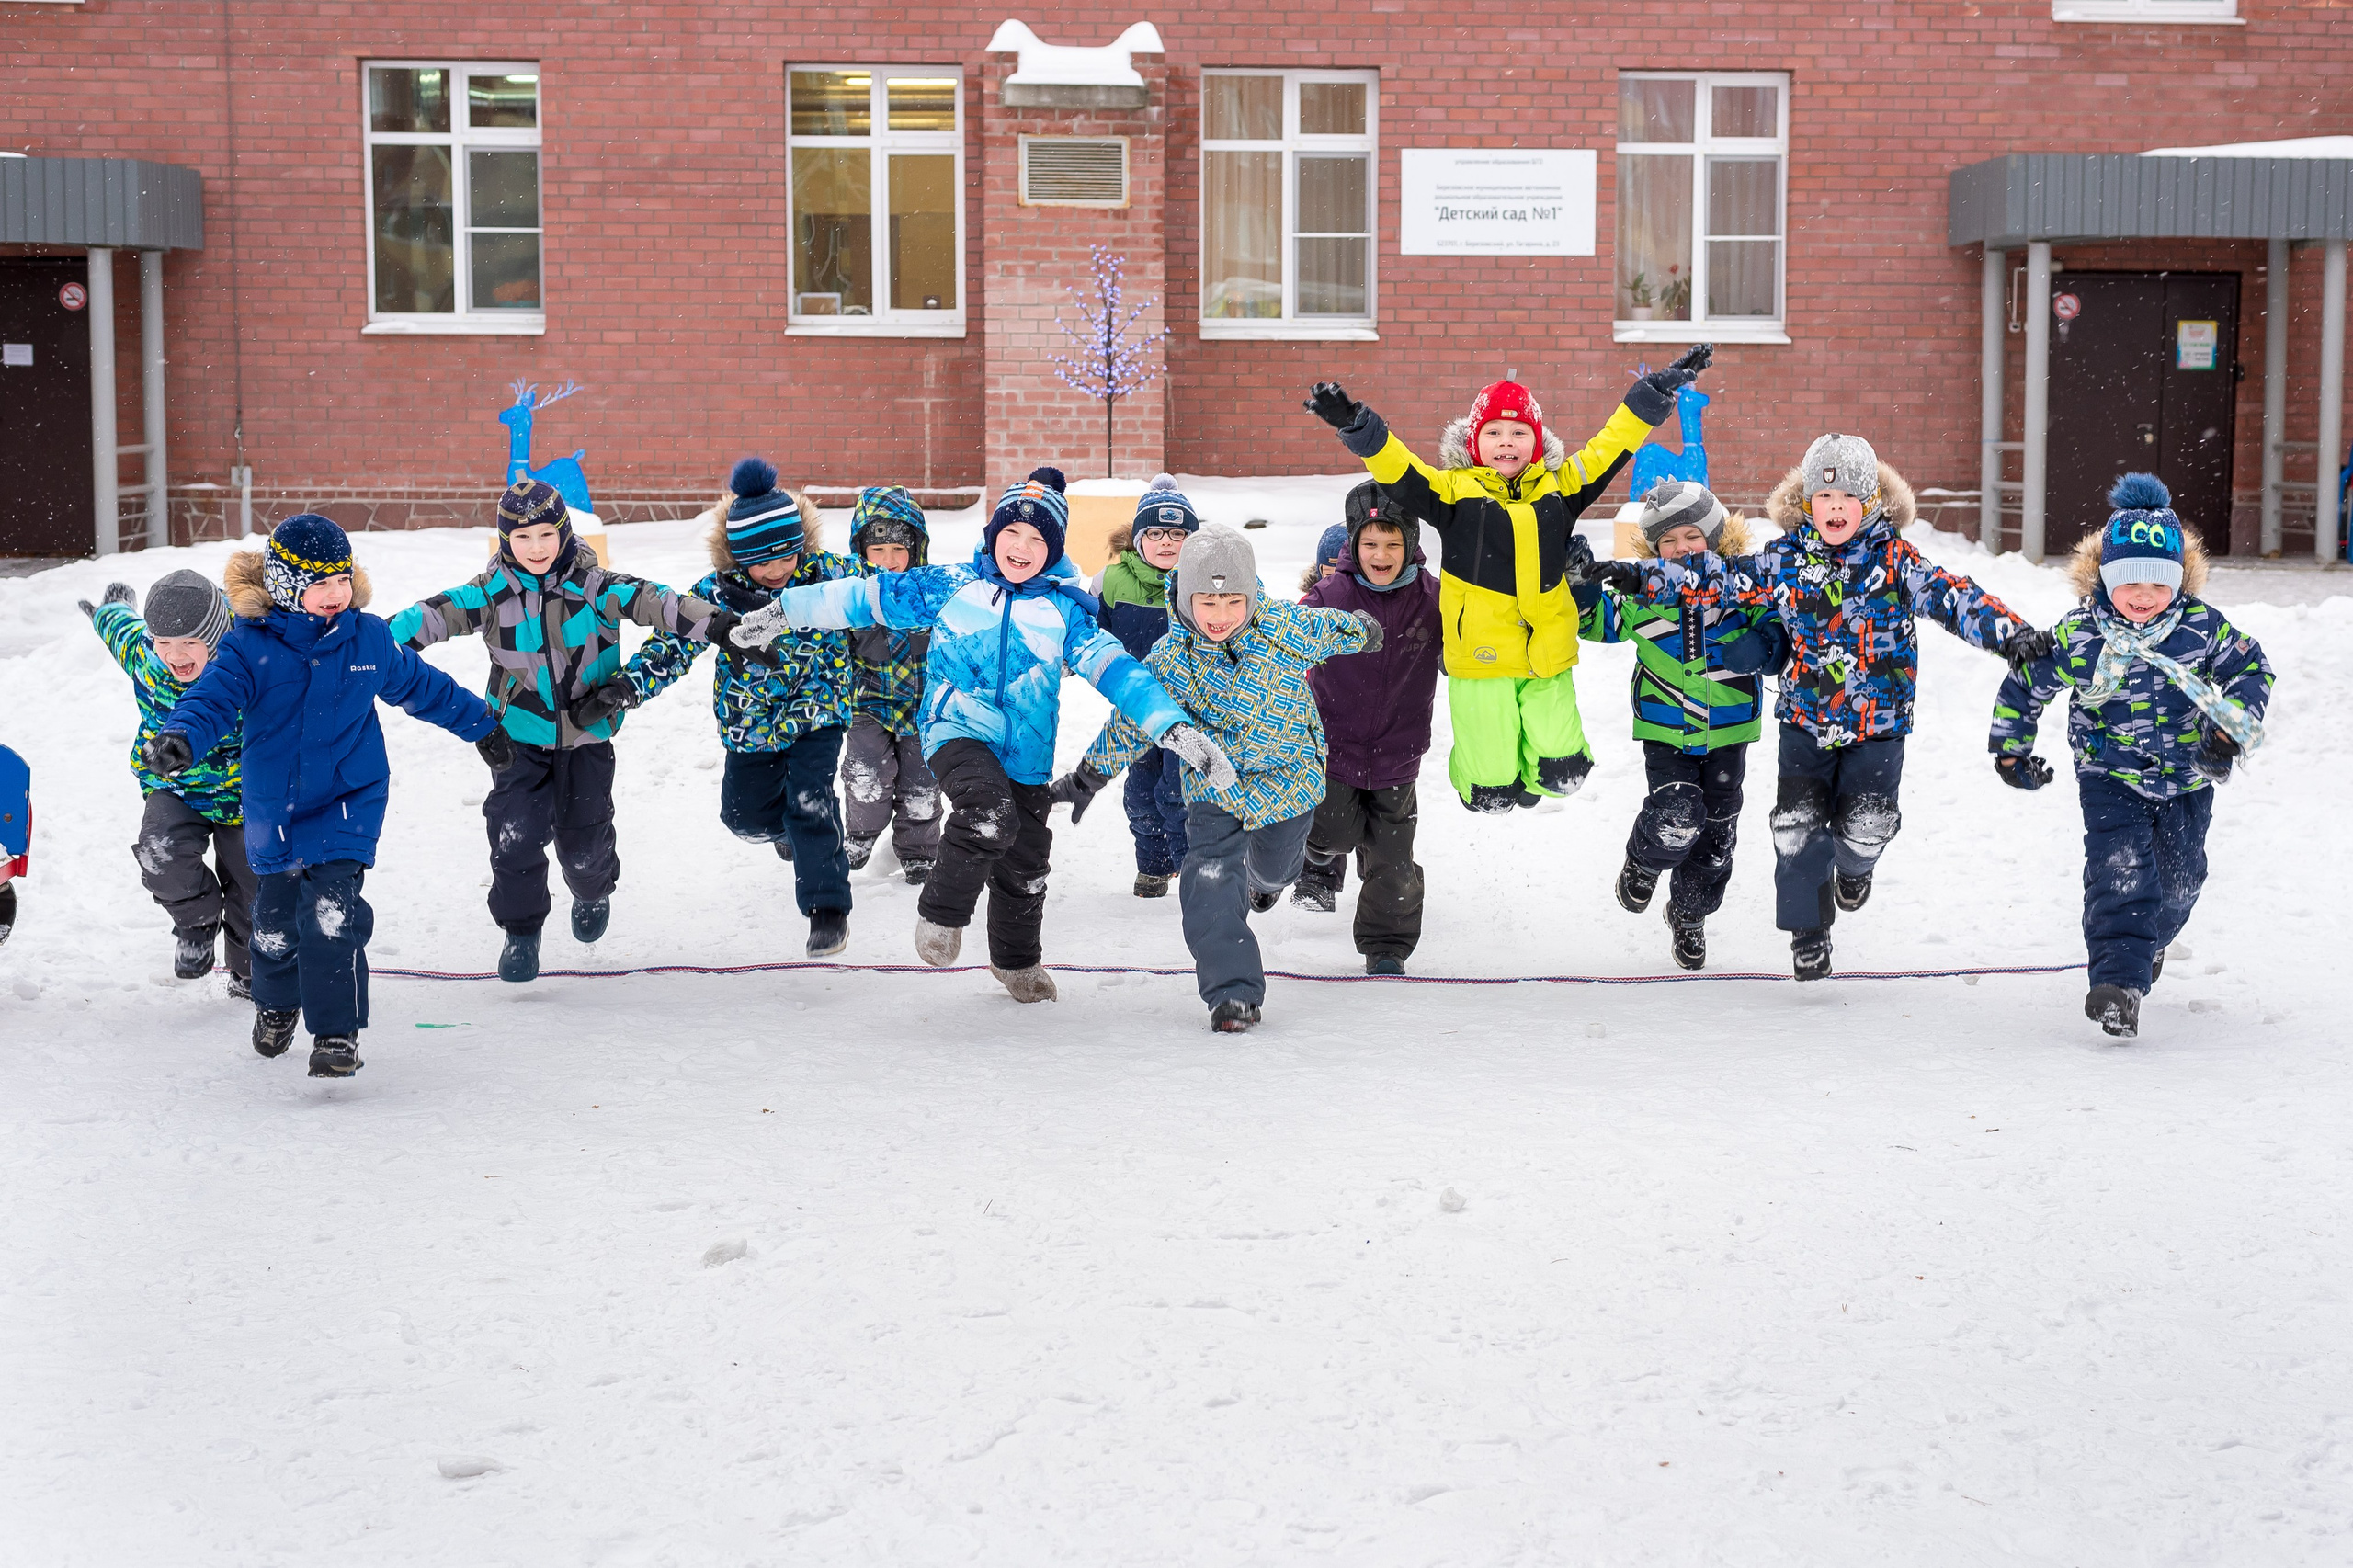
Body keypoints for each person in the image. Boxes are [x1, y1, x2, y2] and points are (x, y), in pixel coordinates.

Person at [729, 467, 1233, 1002]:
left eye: (1037, 538)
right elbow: (862, 596)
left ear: (1054, 549)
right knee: (988, 812)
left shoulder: (1066, 612)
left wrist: (1173, 727)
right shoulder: (952, 585)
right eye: (1011, 532)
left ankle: (1015, 963)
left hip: (1026, 752)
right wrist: (784, 612)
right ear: (993, 536)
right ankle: (941, 914)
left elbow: (1121, 672)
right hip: (955, 727)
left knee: (1027, 861)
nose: (1022, 547)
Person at [1587, 434, 2049, 981]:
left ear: (1870, 501)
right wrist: (1642, 576)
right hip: (1805, 722)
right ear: (1807, 502)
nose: (1835, 507)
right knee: (1797, 827)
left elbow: (1955, 597)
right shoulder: (1784, 560)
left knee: (1868, 821)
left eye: (1848, 496)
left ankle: (1855, 866)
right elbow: (1717, 576)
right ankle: (1808, 933)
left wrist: (2011, 635)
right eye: (1824, 497)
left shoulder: (1896, 562)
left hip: (1878, 725)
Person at [143, 514, 507, 1077]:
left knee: (333, 914)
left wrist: (481, 724)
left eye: (342, 578)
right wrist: (181, 737)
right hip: (276, 809)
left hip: (348, 800)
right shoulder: (249, 648)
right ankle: (275, 1004)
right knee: (274, 925)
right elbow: (211, 699)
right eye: (320, 583)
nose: (336, 592)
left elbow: (421, 686)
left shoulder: (368, 638)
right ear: (286, 586)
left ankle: (338, 1034)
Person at [1304, 345, 1711, 812]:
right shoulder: (1453, 493)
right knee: (1489, 790)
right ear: (1474, 442)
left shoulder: (1562, 488)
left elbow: (1609, 448)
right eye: (1493, 432)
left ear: (1536, 442)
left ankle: (1535, 776)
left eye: (1519, 432)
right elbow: (1400, 468)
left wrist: (1652, 394)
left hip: (1546, 657)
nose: (1506, 442)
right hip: (1483, 661)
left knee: (1565, 774)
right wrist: (1357, 425)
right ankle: (1484, 776)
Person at [389, 478, 745, 982]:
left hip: (587, 736)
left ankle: (592, 891)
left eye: (546, 535)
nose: (535, 548)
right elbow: (428, 617)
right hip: (517, 737)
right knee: (514, 837)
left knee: (585, 845)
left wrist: (719, 626)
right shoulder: (489, 595)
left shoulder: (595, 587)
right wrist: (369, 645)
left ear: (565, 533)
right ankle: (521, 930)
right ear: (505, 540)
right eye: (522, 537)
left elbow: (657, 602)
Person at [1988, 473, 2272, 1040]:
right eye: (2130, 582)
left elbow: (2251, 668)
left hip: (2187, 775)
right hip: (2108, 773)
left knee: (2180, 882)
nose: (2144, 595)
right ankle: (2118, 984)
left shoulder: (2200, 629)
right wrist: (2011, 750)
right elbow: (2027, 684)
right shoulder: (2081, 635)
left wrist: (2228, 727)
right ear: (2107, 579)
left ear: (2179, 581)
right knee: (2120, 871)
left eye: (2159, 583)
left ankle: (2151, 942)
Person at [1056, 525, 1371, 1030]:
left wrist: (1364, 630)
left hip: (1288, 781)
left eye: (1232, 602)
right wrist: (1087, 778)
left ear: (1250, 597)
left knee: (1275, 870)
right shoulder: (1170, 660)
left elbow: (1330, 627)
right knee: (1208, 878)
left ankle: (1264, 883)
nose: (1220, 615)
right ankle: (1232, 992)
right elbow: (1134, 721)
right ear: (1185, 598)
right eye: (1207, 602)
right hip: (1214, 786)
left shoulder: (1283, 628)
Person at [590, 460, 861, 958]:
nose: (778, 571)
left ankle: (827, 911)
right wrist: (628, 686)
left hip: (819, 707)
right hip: (750, 721)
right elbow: (674, 644)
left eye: (788, 556)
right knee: (743, 817)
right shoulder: (716, 594)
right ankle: (787, 832)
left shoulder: (831, 574)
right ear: (740, 558)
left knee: (810, 798)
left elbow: (887, 593)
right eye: (764, 563)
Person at [1574, 480, 1786, 970]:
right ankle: (1644, 861)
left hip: (1728, 731)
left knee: (1715, 836)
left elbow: (1777, 623)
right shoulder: (1645, 596)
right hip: (1666, 728)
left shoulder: (1741, 589)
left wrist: (1765, 644)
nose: (1681, 547)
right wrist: (1582, 588)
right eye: (1667, 540)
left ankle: (1690, 914)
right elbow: (1599, 622)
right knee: (1677, 812)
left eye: (1692, 535)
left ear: (1714, 537)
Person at [83, 570, 256, 994]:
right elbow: (120, 630)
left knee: (254, 887)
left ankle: (249, 970)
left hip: (247, 793)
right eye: (164, 642)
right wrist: (110, 608)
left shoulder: (250, 656)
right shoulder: (146, 655)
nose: (174, 656)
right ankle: (196, 926)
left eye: (189, 644)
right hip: (174, 786)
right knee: (159, 853)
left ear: (214, 637)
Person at [1293, 480, 1442, 975]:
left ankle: (1387, 945)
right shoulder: (1331, 595)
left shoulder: (1431, 598)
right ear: (1353, 543)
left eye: (1393, 543)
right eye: (1370, 543)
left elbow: (1466, 642)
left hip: (1400, 750)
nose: (1381, 555)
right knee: (1332, 832)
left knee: (1392, 858)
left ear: (1411, 542)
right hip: (1335, 746)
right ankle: (1318, 851)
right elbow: (1285, 640)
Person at [1090, 475, 1200, 897]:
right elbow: (1089, 637)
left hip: (1190, 712)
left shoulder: (1205, 582)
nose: (1166, 542)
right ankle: (1153, 866)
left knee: (1178, 791)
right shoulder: (1110, 582)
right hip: (1136, 710)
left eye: (1178, 534)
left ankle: (1193, 870)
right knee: (1139, 792)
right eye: (1155, 533)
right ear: (1138, 539)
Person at [838, 484, 942, 884]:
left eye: (899, 549)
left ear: (916, 549)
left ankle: (919, 850)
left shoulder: (931, 593)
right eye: (878, 550)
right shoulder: (850, 597)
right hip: (868, 703)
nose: (889, 560)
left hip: (922, 706)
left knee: (922, 783)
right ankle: (861, 832)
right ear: (861, 550)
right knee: (867, 775)